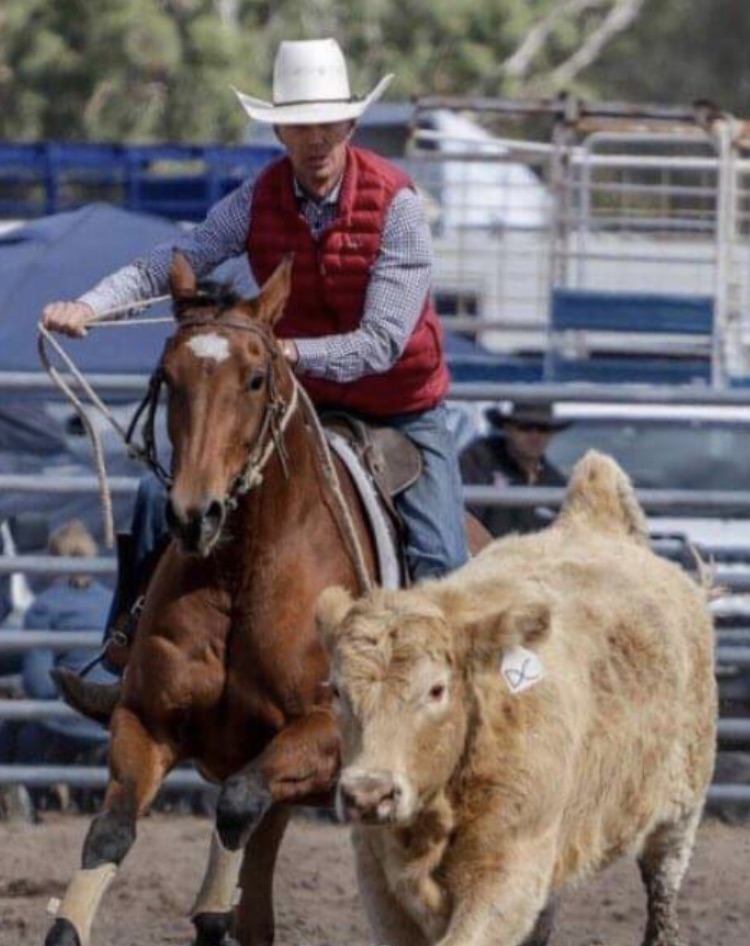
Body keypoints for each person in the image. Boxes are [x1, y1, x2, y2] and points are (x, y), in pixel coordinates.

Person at [41, 38, 469, 716]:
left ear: (350, 125)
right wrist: (91, 305)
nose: (316, 139)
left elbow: (384, 342)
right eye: (300, 125)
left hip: (399, 406)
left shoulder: (398, 206)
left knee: (441, 554)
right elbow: (176, 258)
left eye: (327, 124)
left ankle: (455, 706)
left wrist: (289, 354)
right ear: (280, 132)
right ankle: (128, 659)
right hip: (295, 401)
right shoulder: (258, 199)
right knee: (161, 499)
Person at [0, 521, 110, 774]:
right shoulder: (113, 601)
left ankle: (24, 791)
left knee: (14, 729)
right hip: (113, 721)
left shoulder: (45, 607)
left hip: (68, 724)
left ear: (53, 560)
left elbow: (40, 687)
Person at [460, 399, 570, 538]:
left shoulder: (557, 484)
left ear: (551, 433)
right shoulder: (479, 460)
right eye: (525, 426)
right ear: (507, 427)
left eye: (543, 428)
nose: (535, 435)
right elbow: (462, 520)